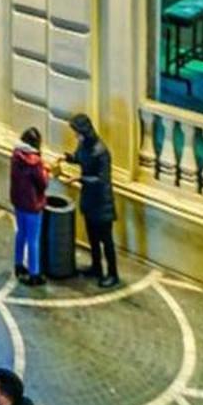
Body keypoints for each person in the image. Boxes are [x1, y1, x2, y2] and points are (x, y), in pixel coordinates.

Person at [66, 112, 118, 288]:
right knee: (93, 238)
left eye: (77, 132)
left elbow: (102, 180)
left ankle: (112, 273)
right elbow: (79, 158)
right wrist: (69, 159)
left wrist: (80, 179)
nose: (75, 136)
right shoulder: (84, 145)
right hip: (89, 200)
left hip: (102, 203)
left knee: (106, 240)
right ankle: (96, 267)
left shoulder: (101, 151)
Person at [10, 127, 50, 287]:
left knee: (21, 233)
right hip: (33, 204)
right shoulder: (35, 162)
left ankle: (18, 264)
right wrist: (46, 171)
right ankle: (34, 273)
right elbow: (43, 183)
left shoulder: (15, 155)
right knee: (33, 239)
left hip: (19, 202)